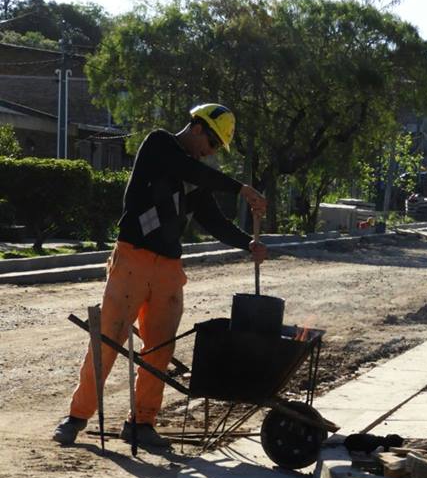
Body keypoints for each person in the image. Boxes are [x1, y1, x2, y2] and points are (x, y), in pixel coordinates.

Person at [53, 103, 268, 447]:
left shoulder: (196, 174)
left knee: (159, 350)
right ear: (198, 128)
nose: (210, 153)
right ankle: (77, 417)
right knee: (108, 338)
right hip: (132, 258)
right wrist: (241, 188)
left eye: (215, 150)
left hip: (168, 268)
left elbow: (212, 220)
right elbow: (183, 167)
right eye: (211, 144)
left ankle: (141, 422)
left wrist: (248, 243)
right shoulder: (159, 145)